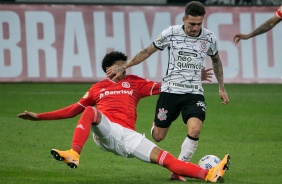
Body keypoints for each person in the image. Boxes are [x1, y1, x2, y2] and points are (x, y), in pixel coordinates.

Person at [18, 51, 230, 182]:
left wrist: (194, 76)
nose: (125, 69)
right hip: (106, 130)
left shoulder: (135, 82)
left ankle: (209, 175)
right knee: (90, 111)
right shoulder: (97, 88)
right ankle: (74, 152)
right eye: (121, 66)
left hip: (127, 137)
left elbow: (166, 86)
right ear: (109, 69)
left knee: (167, 160)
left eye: (125, 66)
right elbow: (73, 109)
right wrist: (39, 117)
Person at [106, 1, 229, 181]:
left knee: (195, 130)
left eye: (199, 24)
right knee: (158, 137)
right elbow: (147, 51)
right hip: (170, 92)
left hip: (194, 92)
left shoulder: (209, 38)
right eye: (192, 24)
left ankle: (179, 169)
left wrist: (221, 87)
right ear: (184, 19)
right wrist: (124, 66)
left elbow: (216, 61)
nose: (196, 28)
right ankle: (156, 125)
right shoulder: (170, 33)